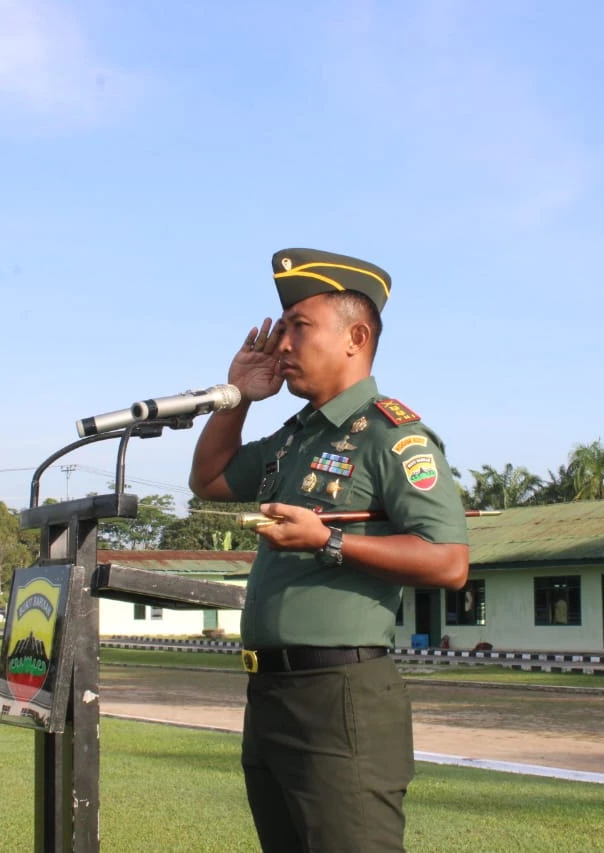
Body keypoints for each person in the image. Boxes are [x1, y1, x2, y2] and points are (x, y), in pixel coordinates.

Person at [189, 247, 470, 851]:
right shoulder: (296, 438)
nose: (282, 344)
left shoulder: (391, 435)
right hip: (269, 695)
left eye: (300, 327)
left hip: (341, 697)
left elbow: (449, 560)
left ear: (355, 336)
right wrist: (234, 399)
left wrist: (329, 541)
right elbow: (209, 481)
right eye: (281, 328)